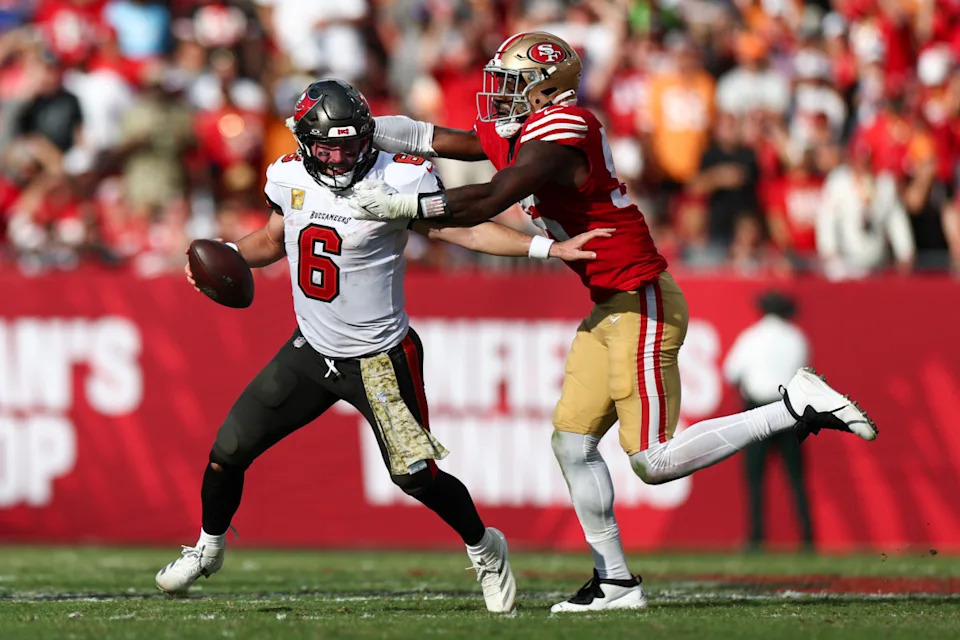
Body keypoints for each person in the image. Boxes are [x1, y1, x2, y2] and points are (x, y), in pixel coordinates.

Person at [344, 31, 878, 612]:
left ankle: (793, 405)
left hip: (640, 299)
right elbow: (439, 139)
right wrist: (359, 129)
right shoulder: (528, 130)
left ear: (547, 89)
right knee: (572, 443)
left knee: (654, 460)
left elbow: (490, 198)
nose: (500, 94)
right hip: (609, 306)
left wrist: (404, 206)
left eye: (514, 83)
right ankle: (616, 581)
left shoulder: (562, 131)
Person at [155, 79, 609, 613]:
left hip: (379, 359)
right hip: (311, 349)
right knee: (228, 451)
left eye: (350, 146)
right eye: (327, 148)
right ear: (305, 143)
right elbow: (273, 240)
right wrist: (226, 256)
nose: (340, 158)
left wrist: (547, 248)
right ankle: (207, 548)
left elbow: (462, 232)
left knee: (416, 477)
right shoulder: (287, 175)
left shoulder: (398, 177)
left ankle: (485, 548)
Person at [723, 291, 813, 551]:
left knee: (755, 478)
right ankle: (807, 538)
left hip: (757, 410)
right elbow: (803, 374)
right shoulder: (796, 337)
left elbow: (731, 373)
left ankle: (756, 537)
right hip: (790, 411)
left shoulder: (751, 337)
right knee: (796, 478)